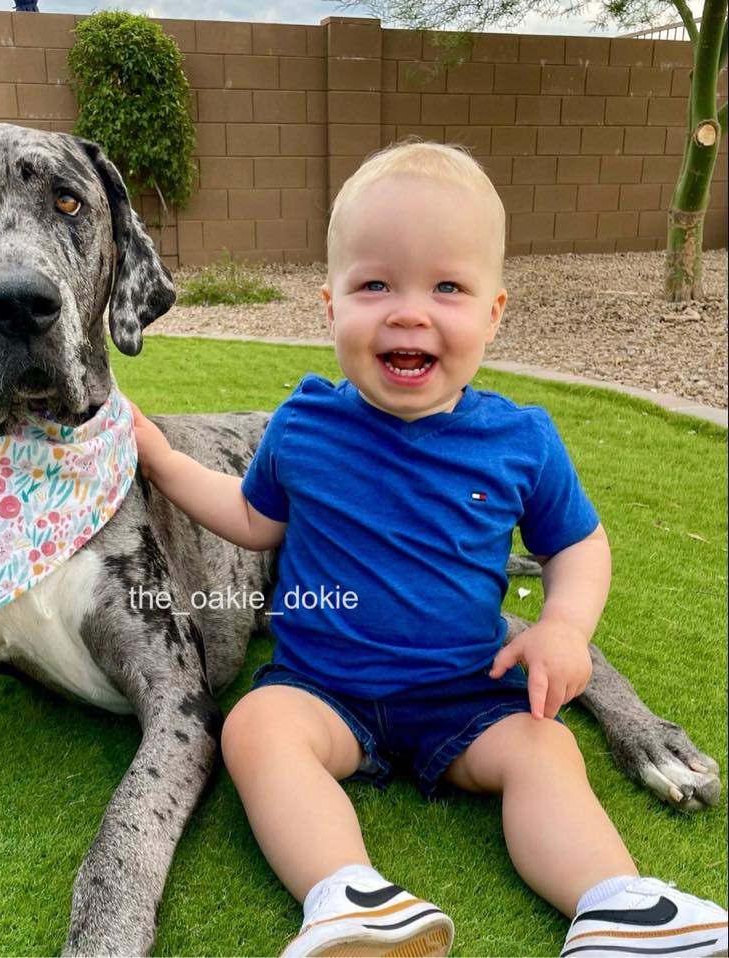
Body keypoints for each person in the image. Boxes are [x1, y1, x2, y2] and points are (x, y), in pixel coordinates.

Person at [130, 141, 729, 958]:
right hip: (324, 690)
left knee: (545, 750)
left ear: (493, 312)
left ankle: (613, 905)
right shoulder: (304, 426)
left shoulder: (520, 442)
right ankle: (348, 898)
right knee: (255, 729)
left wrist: (563, 628)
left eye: (447, 286)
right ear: (329, 306)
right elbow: (252, 519)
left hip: (468, 695)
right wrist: (163, 461)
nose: (409, 312)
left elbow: (579, 546)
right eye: (374, 284)